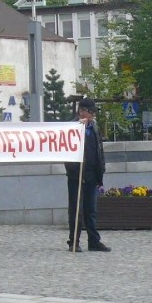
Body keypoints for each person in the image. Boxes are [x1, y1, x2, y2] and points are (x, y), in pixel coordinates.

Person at [65, 97, 111, 253]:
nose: (93, 115)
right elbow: (67, 151)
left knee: (91, 210)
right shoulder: (73, 127)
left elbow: (99, 151)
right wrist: (79, 128)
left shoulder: (94, 127)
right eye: (91, 112)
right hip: (76, 175)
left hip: (92, 174)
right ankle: (74, 241)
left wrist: (101, 171)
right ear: (82, 112)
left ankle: (93, 241)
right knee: (76, 210)